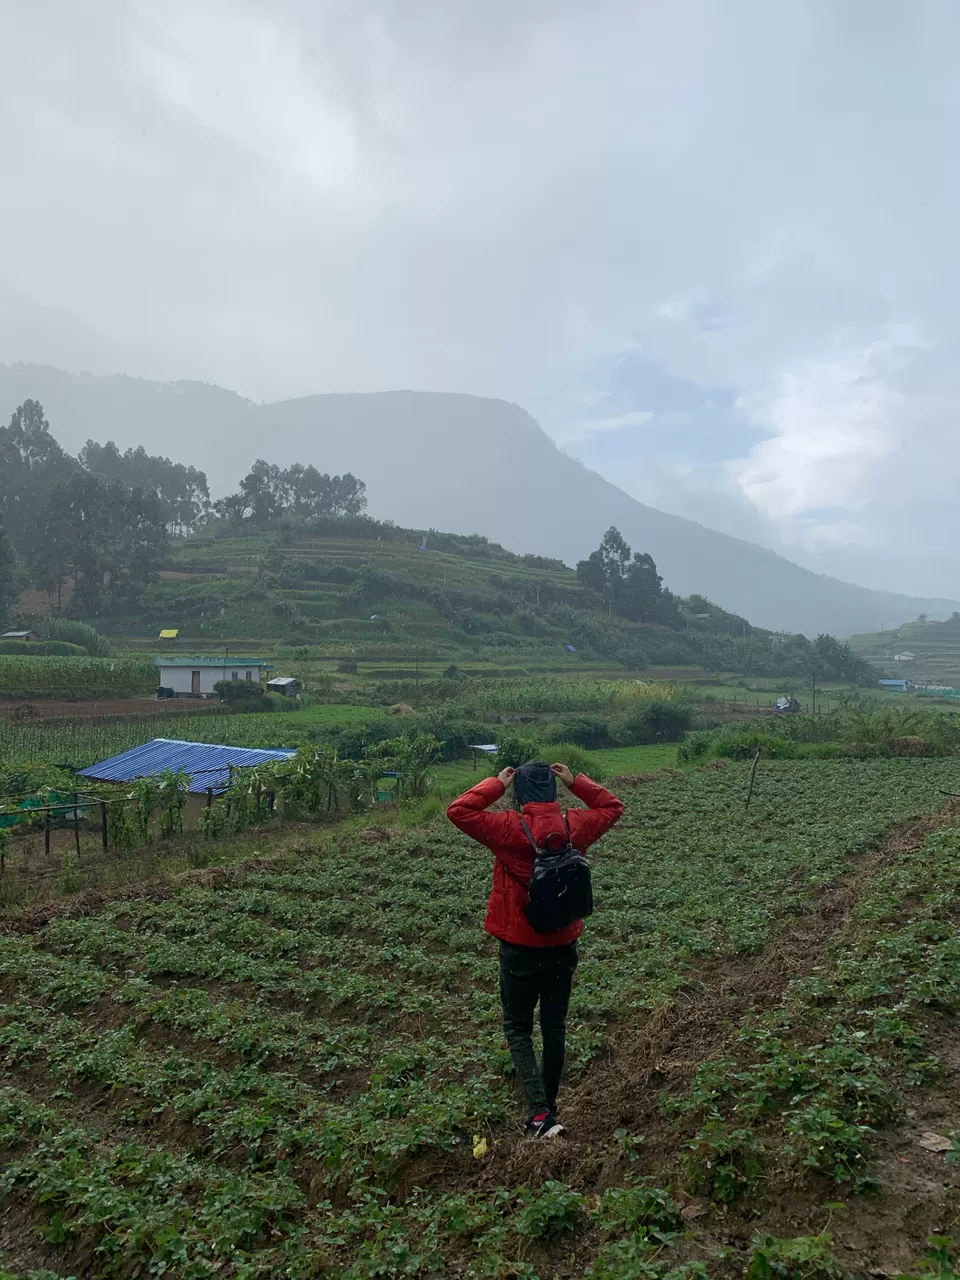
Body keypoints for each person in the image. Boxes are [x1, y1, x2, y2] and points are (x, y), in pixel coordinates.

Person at [447, 760, 624, 1138]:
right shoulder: (573, 826)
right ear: (554, 790)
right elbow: (612, 807)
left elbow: (459, 810)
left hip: (519, 946)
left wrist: (496, 784)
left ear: (519, 793)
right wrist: (576, 781)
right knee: (554, 1025)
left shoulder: (509, 828)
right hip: (563, 943)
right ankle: (550, 1111)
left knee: (517, 1028)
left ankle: (540, 1116)